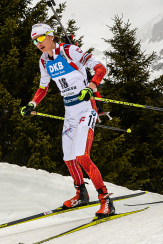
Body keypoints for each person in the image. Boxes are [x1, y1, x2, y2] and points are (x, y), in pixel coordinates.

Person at [21, 23, 114, 218]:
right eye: (34, 41)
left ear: (50, 36)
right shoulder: (44, 61)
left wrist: (91, 86)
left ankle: (106, 200)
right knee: (69, 158)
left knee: (82, 156)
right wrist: (32, 104)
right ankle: (81, 194)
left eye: (40, 38)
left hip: (86, 109)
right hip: (69, 111)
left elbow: (99, 68)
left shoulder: (69, 51)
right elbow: (43, 87)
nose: (37, 43)